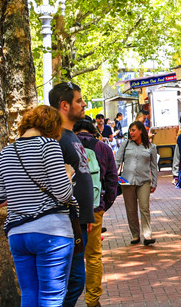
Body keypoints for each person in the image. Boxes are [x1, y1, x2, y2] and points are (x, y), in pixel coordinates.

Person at [0, 105, 77, 306]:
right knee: (51, 297)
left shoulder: (6, 152)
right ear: (53, 127)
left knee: (29, 294)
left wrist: (21, 192)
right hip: (51, 232)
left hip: (18, 233)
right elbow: (63, 193)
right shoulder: (49, 146)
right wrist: (68, 173)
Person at [48, 81, 95, 307]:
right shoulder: (56, 138)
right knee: (74, 281)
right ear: (64, 105)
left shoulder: (71, 135)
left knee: (74, 280)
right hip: (67, 224)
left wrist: (86, 217)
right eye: (79, 100)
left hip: (78, 222)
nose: (84, 104)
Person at [73, 119, 118, 307]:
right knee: (93, 255)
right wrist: (102, 205)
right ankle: (92, 300)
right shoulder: (103, 148)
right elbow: (112, 181)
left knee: (72, 255)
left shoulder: (64, 145)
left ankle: (69, 298)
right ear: (93, 131)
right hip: (94, 209)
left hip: (69, 211)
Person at [116, 120, 159, 245]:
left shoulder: (151, 147)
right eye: (130, 130)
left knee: (144, 207)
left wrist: (154, 183)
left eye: (133, 130)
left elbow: (154, 167)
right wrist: (112, 177)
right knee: (131, 209)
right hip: (126, 181)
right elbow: (117, 161)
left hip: (144, 181)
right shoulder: (125, 144)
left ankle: (147, 235)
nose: (131, 132)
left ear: (141, 131)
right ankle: (135, 235)